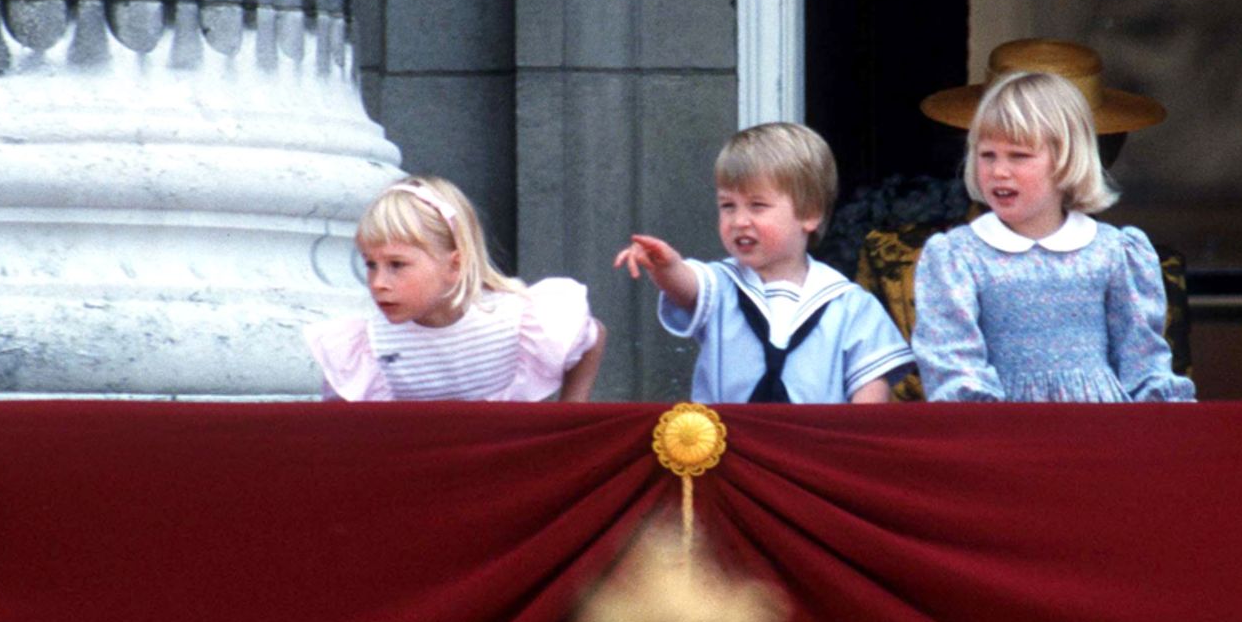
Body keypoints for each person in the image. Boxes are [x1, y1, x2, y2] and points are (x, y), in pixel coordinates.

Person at [911, 71, 1195, 403]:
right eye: (988, 155)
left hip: (1099, 432)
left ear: (1066, 160)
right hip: (1004, 435)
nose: (999, 170)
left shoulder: (1114, 252)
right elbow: (953, 362)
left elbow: (1143, 362)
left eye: (1018, 155)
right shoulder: (958, 256)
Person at [614, 123, 913, 404]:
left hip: (811, 450)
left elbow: (871, 386)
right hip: (726, 448)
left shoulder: (849, 304)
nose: (739, 221)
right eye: (727, 206)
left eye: (758, 206)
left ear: (809, 214)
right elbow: (687, 287)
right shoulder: (722, 284)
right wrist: (666, 268)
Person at [305, 176, 604, 402]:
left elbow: (592, 336)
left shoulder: (516, 321)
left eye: (397, 264)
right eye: (371, 265)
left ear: (455, 265)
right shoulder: (369, 347)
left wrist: (571, 413)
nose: (379, 282)